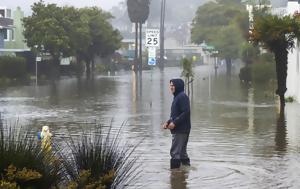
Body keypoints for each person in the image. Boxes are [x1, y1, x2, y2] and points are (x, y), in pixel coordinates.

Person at [162, 78, 191, 169]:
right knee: (182, 153)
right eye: (170, 86)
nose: (171, 87)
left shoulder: (182, 97)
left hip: (180, 130)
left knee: (175, 153)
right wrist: (168, 122)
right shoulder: (177, 97)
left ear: (178, 86)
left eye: (173, 85)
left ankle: (175, 176)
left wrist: (174, 123)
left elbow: (186, 112)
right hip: (182, 129)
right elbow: (175, 115)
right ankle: (185, 172)